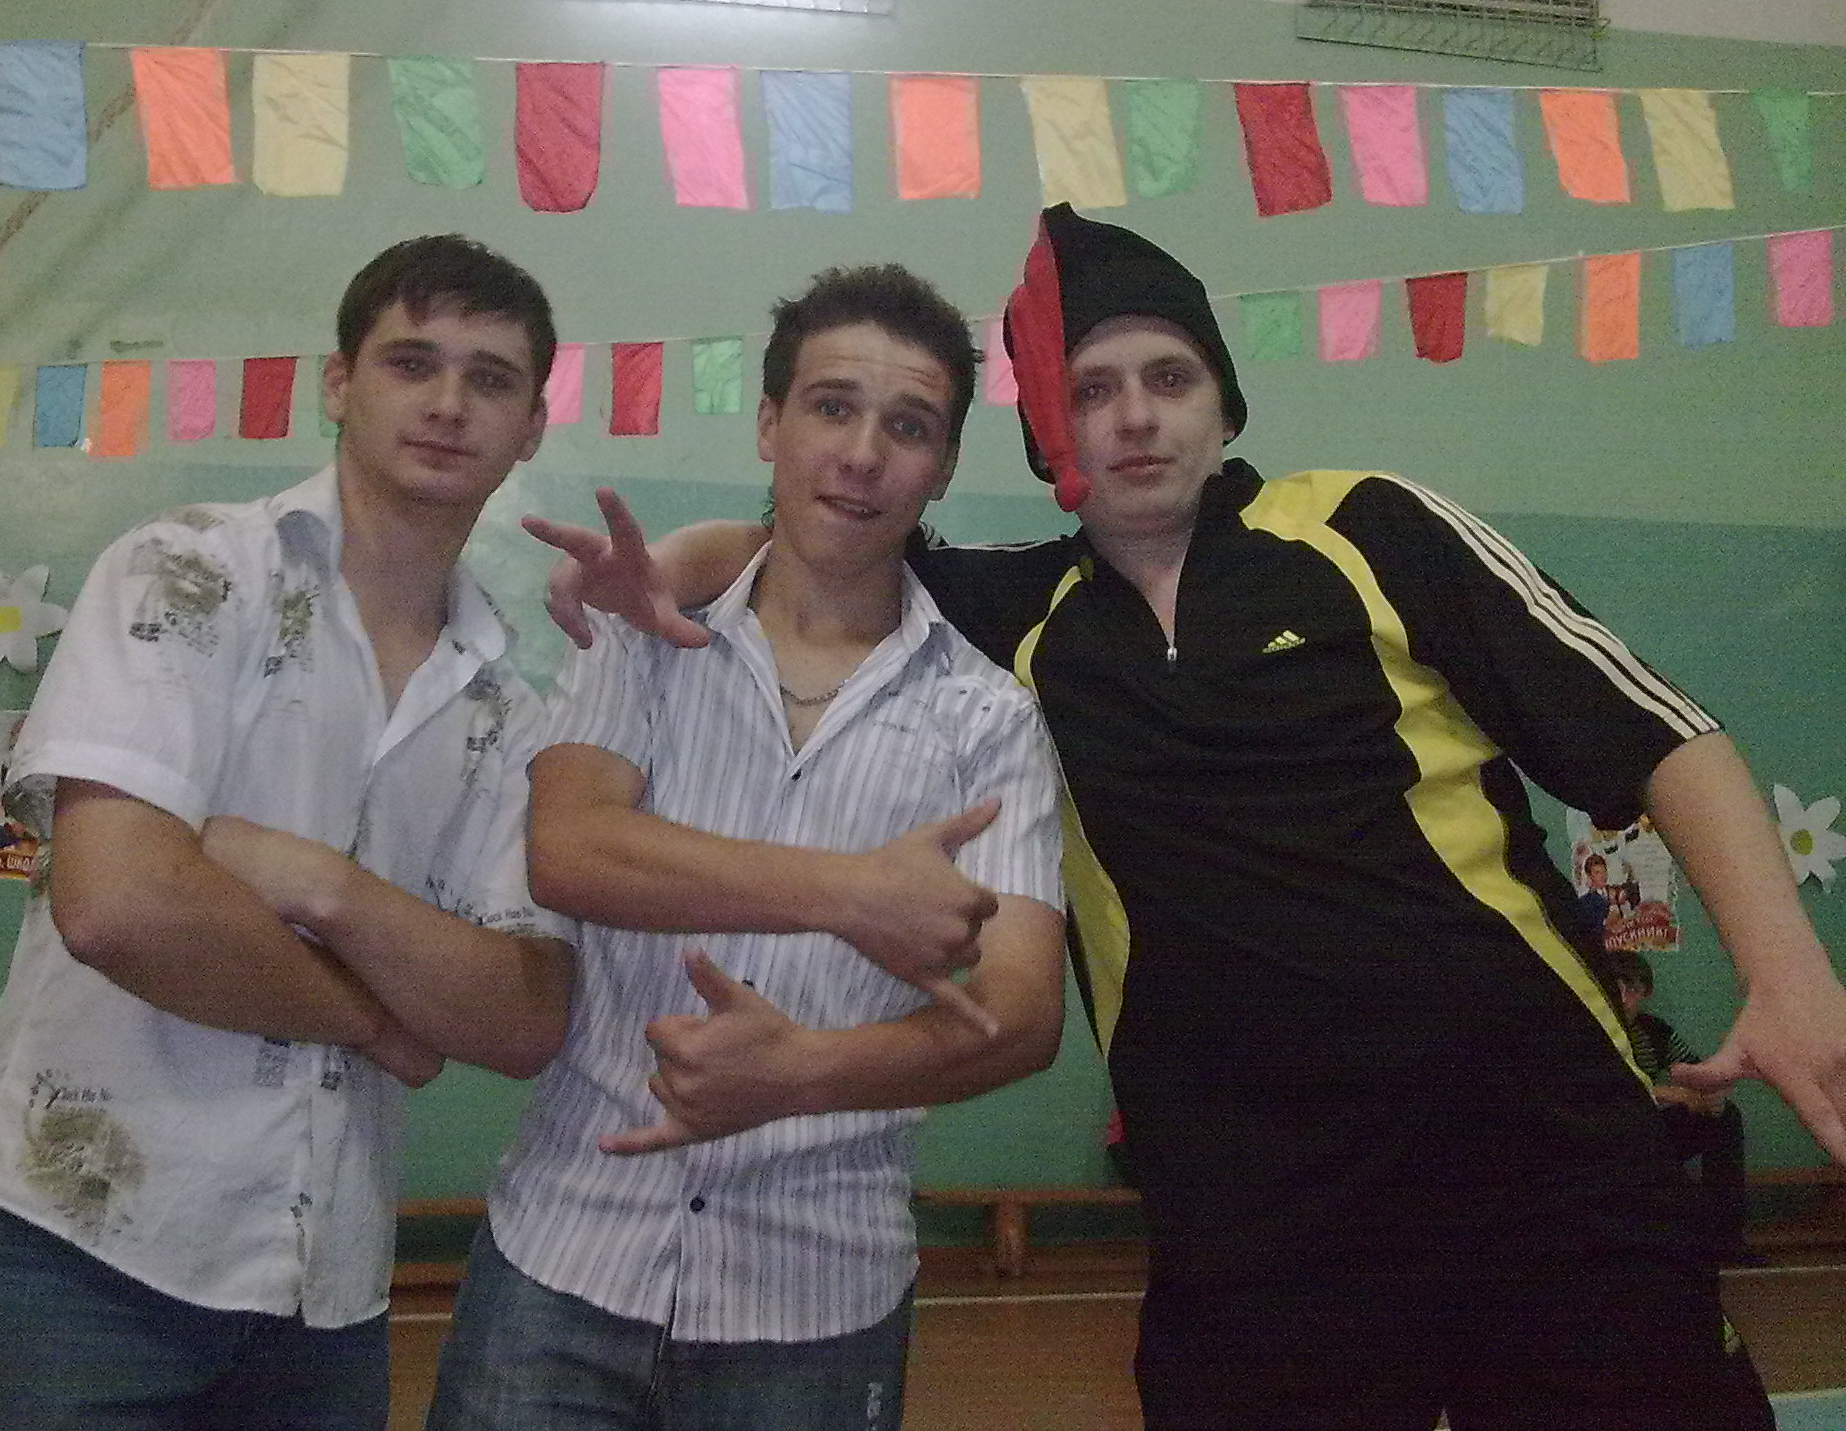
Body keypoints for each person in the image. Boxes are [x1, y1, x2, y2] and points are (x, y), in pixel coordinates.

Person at [538, 205, 1846, 1431]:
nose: (1135, 417)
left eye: (1168, 377)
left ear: (1223, 401)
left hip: (1550, 1166)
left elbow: (1659, 733)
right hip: (1256, 1227)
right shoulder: (1017, 618)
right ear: (1048, 441)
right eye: (1090, 391)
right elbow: (828, 551)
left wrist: (1786, 973)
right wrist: (680, 563)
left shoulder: (1367, 530)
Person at [0, 234, 580, 1431]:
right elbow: (120, 906)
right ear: (338, 384)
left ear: (532, 427)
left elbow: (524, 1015)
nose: (448, 403)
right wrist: (376, 1018)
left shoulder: (506, 706)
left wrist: (317, 884)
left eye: (490, 379)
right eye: (411, 363)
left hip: (323, 1287)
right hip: (80, 1253)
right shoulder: (184, 572)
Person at [425, 265, 1068, 1431]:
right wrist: (850, 895)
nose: (861, 454)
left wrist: (807, 1072)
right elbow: (569, 849)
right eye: (830, 407)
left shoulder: (988, 719)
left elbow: (1020, 1015)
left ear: (942, 465)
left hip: (816, 1291)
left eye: (906, 426)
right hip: (564, 1255)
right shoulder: (644, 629)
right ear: (769, 423)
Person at [1611, 950, 1770, 1268]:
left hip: (1654, 1132)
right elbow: (1609, 1089)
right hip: (1610, 1134)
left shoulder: (1654, 1031)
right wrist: (1671, 1094)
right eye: (1618, 988)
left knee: (1724, 1117)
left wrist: (1713, 1088)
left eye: (1633, 989)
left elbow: (1695, 1072)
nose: (1625, 998)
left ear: (1645, 993)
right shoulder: (1592, 1033)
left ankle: (1725, 1240)